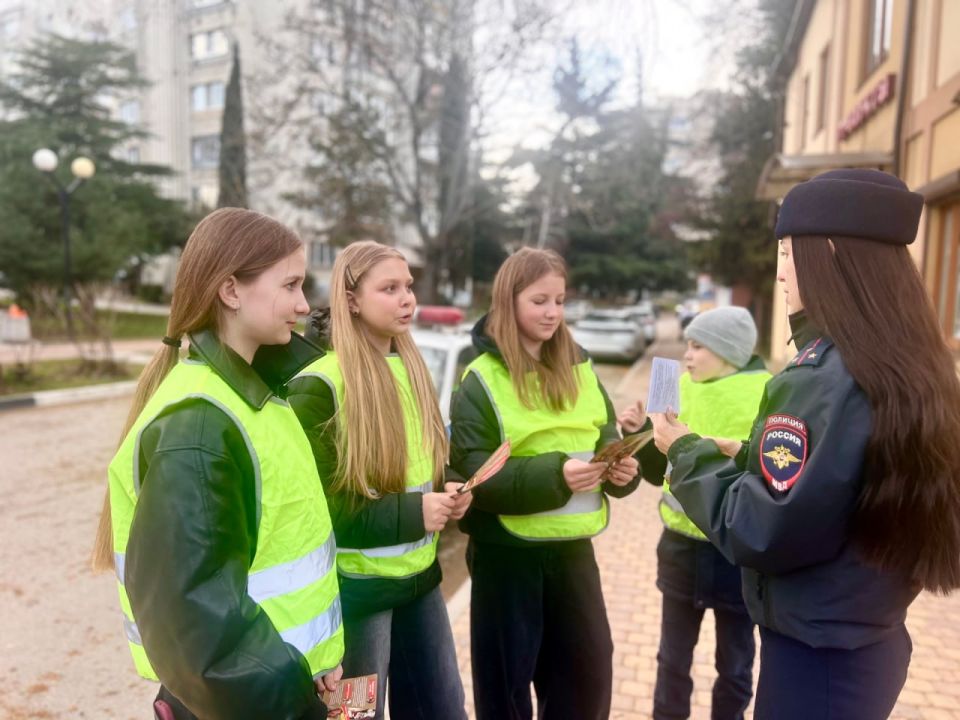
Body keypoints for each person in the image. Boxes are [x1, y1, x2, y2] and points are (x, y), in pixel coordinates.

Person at [651, 169, 960, 719]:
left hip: (814, 658)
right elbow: (837, 483)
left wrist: (682, 450)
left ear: (831, 254)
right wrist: (744, 457)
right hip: (868, 638)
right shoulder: (912, 363)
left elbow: (762, 529)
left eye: (790, 253)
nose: (781, 273)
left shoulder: (820, 375)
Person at [91, 208, 344, 719]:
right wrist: (297, 702)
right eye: (290, 284)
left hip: (271, 688)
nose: (303, 304)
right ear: (231, 291)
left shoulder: (258, 396)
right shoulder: (200, 427)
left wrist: (316, 664)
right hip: (250, 703)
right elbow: (200, 626)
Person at [449, 247, 642, 720]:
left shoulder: (580, 366)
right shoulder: (480, 379)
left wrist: (619, 473)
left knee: (588, 679)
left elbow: (604, 436)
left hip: (573, 554)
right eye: (539, 300)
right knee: (506, 692)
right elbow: (473, 473)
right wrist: (554, 475)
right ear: (508, 300)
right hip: (505, 559)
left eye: (559, 299)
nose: (553, 312)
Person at [286, 240, 469, 720]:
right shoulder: (319, 385)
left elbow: (425, 465)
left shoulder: (413, 370)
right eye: (389, 288)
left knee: (445, 709)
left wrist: (447, 488)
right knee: (355, 718)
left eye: (408, 286)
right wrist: (416, 513)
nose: (407, 298)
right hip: (357, 599)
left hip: (421, 586)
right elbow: (316, 514)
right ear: (351, 299)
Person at [620, 306, 770, 720]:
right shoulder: (675, 388)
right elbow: (658, 474)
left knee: (735, 666)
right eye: (686, 344)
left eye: (698, 345)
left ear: (730, 352)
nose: (686, 355)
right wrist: (638, 433)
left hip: (735, 556)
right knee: (672, 660)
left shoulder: (769, 394)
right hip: (680, 551)